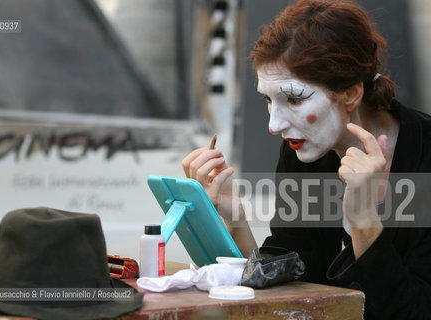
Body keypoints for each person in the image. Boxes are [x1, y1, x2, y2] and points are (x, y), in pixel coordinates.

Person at [182, 0, 431, 318]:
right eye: (268, 100)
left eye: (295, 99)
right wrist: (232, 219)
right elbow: (286, 288)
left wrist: (364, 220)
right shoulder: (306, 152)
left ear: (351, 93)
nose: (274, 125)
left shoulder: (424, 157)